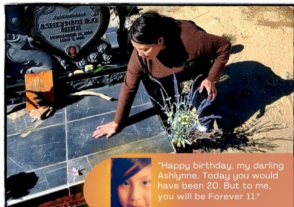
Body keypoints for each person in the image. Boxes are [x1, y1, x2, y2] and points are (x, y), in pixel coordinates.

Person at [93, 11, 231, 139]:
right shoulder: (140, 57)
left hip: (195, 67)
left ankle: (204, 126)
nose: (140, 53)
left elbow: (224, 46)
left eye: (144, 49)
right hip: (165, 74)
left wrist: (211, 78)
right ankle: (175, 119)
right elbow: (129, 87)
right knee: (159, 95)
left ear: (159, 41)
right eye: (137, 48)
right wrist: (117, 123)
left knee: (201, 94)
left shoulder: (193, 41)